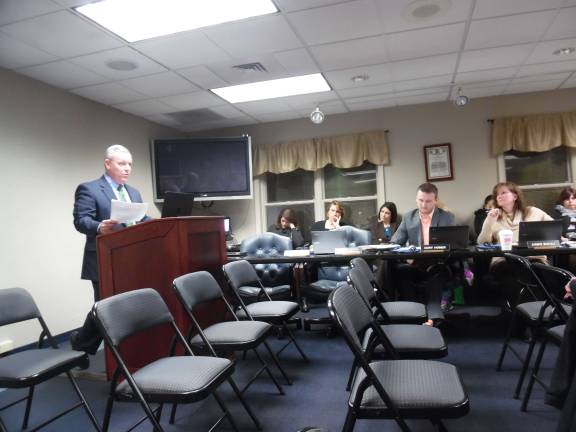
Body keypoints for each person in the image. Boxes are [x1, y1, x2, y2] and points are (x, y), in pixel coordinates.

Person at [70, 144, 150, 353]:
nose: (127, 169)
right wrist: (99, 227)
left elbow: (140, 219)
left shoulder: (133, 192)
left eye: (130, 164)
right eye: (121, 163)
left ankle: (118, 348)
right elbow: (80, 220)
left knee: (125, 305)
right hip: (102, 258)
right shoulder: (90, 189)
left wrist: (160, 222)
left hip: (131, 258)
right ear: (107, 164)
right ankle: (81, 344)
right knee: (105, 306)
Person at [477, 181, 552, 309]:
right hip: (504, 261)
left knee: (532, 276)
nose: (499, 196)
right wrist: (489, 221)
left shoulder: (532, 212)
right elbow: (482, 242)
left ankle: (524, 315)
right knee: (516, 279)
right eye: (497, 194)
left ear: (515, 196)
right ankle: (531, 314)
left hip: (534, 259)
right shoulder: (494, 216)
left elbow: (553, 228)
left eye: (503, 193)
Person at [391, 183, 456, 325]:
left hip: (438, 263)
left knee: (437, 274)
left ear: (436, 200)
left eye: (428, 201)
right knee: (402, 272)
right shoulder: (409, 217)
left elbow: (454, 244)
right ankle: (415, 315)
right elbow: (395, 242)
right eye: (421, 200)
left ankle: (433, 318)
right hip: (416, 263)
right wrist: (406, 256)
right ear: (416, 199)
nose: (424, 205)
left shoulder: (447, 217)